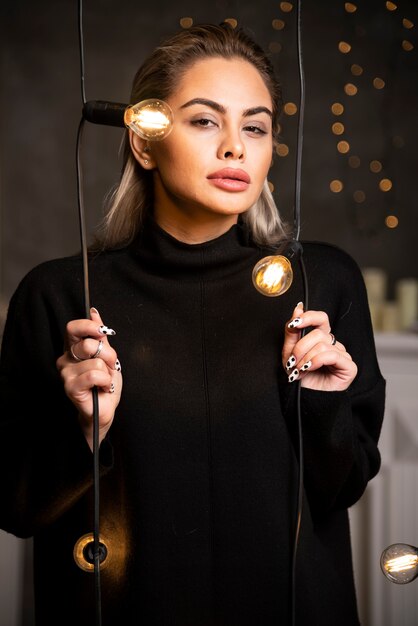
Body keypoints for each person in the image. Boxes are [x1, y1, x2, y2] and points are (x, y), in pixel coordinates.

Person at [0, 22, 385, 626]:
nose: (235, 147)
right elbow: (17, 507)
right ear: (144, 142)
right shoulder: (61, 296)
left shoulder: (323, 285)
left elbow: (343, 488)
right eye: (205, 121)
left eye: (255, 127)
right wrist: (83, 431)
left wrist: (324, 408)